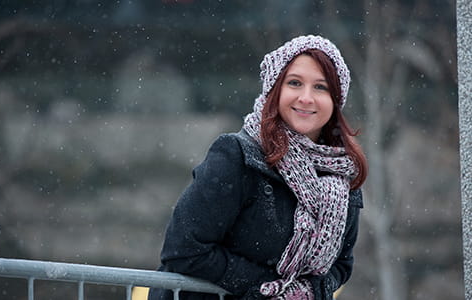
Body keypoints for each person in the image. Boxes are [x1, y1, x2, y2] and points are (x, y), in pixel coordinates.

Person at [148, 35, 368, 300]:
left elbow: (340, 267)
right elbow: (184, 250)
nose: (306, 98)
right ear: (275, 91)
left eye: (321, 87)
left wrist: (305, 292)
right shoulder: (237, 156)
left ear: (335, 100)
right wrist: (269, 288)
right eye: (295, 83)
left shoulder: (341, 176)